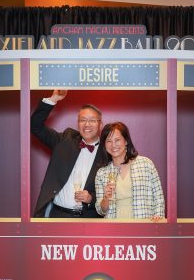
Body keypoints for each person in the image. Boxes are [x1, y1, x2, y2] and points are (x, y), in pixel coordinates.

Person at [31, 89, 107, 218]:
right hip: (58, 216)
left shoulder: (107, 153)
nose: (87, 124)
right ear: (78, 124)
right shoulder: (65, 140)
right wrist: (53, 99)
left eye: (92, 120)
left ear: (100, 125)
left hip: (89, 219)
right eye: (82, 120)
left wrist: (91, 198)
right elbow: (35, 126)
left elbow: (112, 193)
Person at [95, 122, 165, 221]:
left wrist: (158, 219)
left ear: (126, 141)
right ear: (104, 145)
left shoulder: (145, 164)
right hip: (114, 226)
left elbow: (158, 197)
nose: (113, 145)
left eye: (117, 140)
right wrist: (106, 198)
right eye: (109, 141)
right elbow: (101, 211)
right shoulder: (102, 173)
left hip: (143, 224)